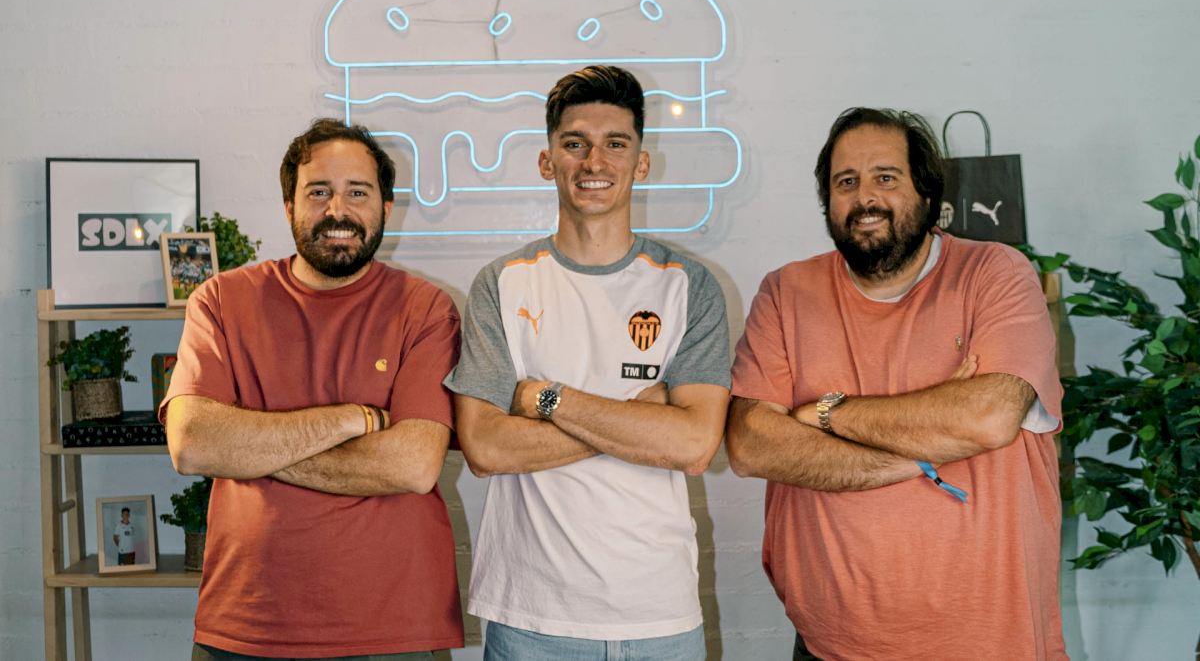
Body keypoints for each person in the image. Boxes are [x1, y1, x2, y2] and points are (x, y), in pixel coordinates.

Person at [726, 107, 1066, 660]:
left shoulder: (995, 274)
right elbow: (750, 445)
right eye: (846, 182)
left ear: (927, 194)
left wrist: (826, 414)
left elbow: (987, 418)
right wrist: (922, 455)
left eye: (886, 177)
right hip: (830, 645)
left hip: (985, 645)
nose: (865, 198)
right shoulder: (786, 292)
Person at [444, 65, 731, 660]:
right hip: (530, 619)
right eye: (574, 144)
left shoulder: (689, 286)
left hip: (660, 616)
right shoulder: (501, 284)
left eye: (615, 144)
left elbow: (694, 445)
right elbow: (486, 449)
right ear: (547, 160)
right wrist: (639, 420)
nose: (594, 161)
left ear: (641, 164)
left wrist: (544, 400)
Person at [161, 118, 464, 660]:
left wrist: (250, 448)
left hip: (392, 628)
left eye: (358, 193)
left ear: (386, 207)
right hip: (245, 624)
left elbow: (414, 465)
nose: (337, 211)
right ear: (289, 206)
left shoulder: (426, 310)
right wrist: (353, 419)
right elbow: (192, 445)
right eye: (318, 192)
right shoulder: (221, 301)